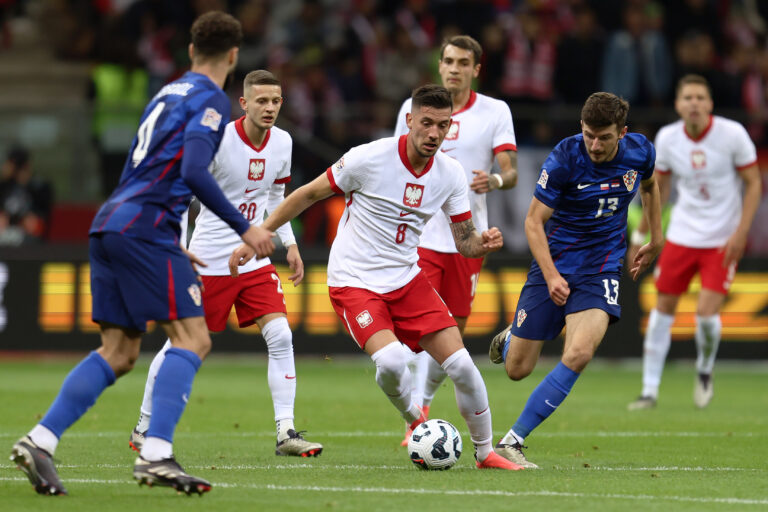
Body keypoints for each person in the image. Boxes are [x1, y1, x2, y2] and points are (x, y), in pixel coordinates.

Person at [10, 12, 274, 496]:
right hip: (147, 227)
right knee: (194, 338)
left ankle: (40, 440)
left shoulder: (166, 93)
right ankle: (156, 454)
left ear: (192, 52)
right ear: (234, 57)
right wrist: (245, 226)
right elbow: (194, 170)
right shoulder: (212, 102)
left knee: (120, 351)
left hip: (111, 221)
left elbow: (144, 164)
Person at [231, 84, 523, 470]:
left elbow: (464, 240)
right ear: (409, 121)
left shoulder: (451, 174)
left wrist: (482, 243)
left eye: (443, 126)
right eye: (427, 123)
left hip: (406, 279)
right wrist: (262, 232)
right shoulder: (368, 158)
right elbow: (307, 194)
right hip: (354, 280)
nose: (434, 133)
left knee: (463, 367)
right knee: (389, 363)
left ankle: (486, 453)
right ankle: (414, 417)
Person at [128, 69, 323, 458]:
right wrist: (177, 245)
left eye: (276, 101)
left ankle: (286, 432)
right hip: (210, 262)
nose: (270, 108)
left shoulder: (282, 142)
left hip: (254, 260)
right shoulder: (218, 140)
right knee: (181, 345)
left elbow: (275, 195)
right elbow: (182, 195)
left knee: (281, 335)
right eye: (262, 101)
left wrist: (290, 243)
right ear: (244, 103)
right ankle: (144, 424)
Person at [488, 92, 663, 468]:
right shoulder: (565, 157)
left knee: (580, 352)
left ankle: (512, 440)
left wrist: (656, 237)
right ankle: (510, 340)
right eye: (588, 135)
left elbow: (649, 187)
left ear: (623, 133)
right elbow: (533, 221)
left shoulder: (641, 151)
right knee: (518, 370)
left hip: (601, 268)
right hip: (554, 265)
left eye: (604, 137)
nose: (595, 145)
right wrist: (551, 276)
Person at [393, 35, 518, 446]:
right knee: (423, 327)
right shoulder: (413, 110)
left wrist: (494, 180)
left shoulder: (495, 111)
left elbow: (511, 170)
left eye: (463, 62)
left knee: (452, 329)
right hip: (423, 233)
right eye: (448, 60)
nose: (453, 68)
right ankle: (416, 413)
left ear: (476, 68)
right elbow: (397, 159)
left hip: (468, 237)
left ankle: (423, 401)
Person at [627, 75, 761, 411]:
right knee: (662, 311)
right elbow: (660, 191)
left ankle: (704, 369)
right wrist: (641, 235)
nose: (695, 103)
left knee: (705, 315)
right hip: (682, 235)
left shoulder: (732, 134)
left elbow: (754, 183)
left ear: (710, 104)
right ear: (678, 104)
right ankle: (649, 390)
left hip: (721, 239)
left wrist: (741, 232)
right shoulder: (669, 138)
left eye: (701, 97)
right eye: (688, 97)